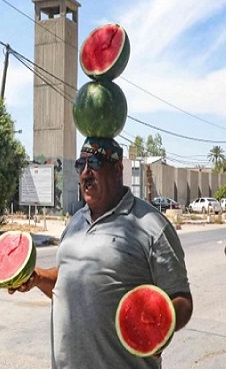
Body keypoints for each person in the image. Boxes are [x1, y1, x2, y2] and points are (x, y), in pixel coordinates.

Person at [10, 137, 193, 369]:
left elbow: (182, 299)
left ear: (117, 169)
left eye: (95, 163)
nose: (86, 173)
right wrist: (38, 278)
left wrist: (161, 327)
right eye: (81, 165)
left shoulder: (151, 225)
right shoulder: (76, 221)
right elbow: (69, 279)